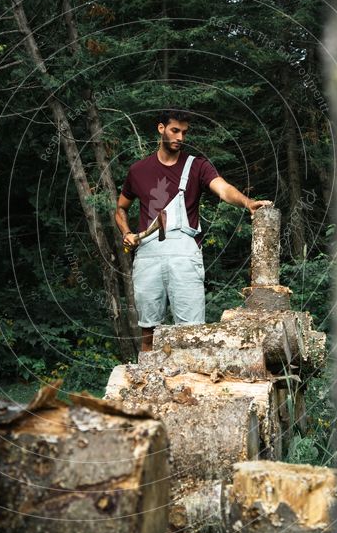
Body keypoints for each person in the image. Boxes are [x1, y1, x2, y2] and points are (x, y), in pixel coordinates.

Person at [115, 109, 272, 351]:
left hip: (184, 255)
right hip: (148, 255)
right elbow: (120, 208)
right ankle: (144, 383)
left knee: (192, 333)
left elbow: (223, 189)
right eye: (175, 131)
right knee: (148, 332)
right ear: (161, 129)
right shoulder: (138, 170)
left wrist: (247, 202)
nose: (180, 137)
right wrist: (126, 233)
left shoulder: (197, 166)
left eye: (184, 133)